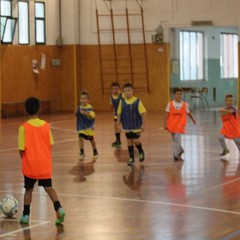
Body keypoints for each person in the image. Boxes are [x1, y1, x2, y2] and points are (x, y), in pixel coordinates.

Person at [18, 97, 65, 225]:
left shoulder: (23, 128)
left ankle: (26, 215)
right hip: (44, 164)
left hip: (30, 165)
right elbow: (50, 144)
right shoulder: (46, 126)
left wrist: (24, 159)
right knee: (49, 188)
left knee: (28, 190)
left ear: (25, 111)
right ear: (40, 109)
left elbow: (21, 149)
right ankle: (59, 208)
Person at [117, 82, 147, 166]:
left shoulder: (137, 101)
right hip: (126, 126)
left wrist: (143, 124)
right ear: (123, 92)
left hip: (136, 125)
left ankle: (141, 151)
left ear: (133, 91)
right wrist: (118, 125)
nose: (127, 92)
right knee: (129, 141)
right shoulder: (122, 102)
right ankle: (131, 158)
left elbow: (144, 113)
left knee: (136, 140)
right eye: (125, 91)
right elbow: (119, 113)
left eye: (129, 90)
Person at [164, 87, 196, 161]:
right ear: (174, 95)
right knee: (175, 139)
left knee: (176, 138)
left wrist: (193, 119)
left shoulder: (185, 104)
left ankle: (175, 154)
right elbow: (166, 114)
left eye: (180, 94)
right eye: (177, 94)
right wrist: (164, 123)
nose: (179, 96)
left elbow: (188, 113)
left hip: (180, 124)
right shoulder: (170, 103)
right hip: (172, 124)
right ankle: (181, 149)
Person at [76, 90, 98, 160]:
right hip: (81, 127)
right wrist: (76, 112)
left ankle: (95, 151)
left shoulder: (90, 108)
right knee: (80, 138)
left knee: (91, 140)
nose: (83, 100)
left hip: (88, 127)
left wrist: (85, 112)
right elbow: (76, 115)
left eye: (85, 98)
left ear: (88, 100)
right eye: (81, 98)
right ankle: (82, 152)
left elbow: (92, 116)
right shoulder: (79, 108)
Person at [110, 81, 123, 147]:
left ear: (119, 89)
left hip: (123, 114)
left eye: (116, 88)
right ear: (111, 89)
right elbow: (112, 105)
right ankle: (118, 140)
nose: (115, 90)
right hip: (116, 114)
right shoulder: (111, 96)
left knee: (127, 127)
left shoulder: (122, 95)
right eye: (113, 89)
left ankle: (132, 139)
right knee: (116, 126)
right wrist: (113, 112)